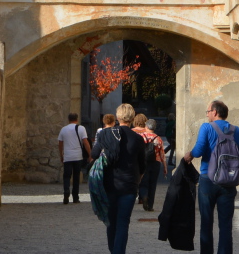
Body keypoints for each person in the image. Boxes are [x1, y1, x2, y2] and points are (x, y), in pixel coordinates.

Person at [184, 99, 239, 254]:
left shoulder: (206, 127)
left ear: (214, 112)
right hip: (229, 181)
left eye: (208, 111)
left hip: (208, 179)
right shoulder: (237, 131)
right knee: (226, 225)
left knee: (206, 223)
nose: (207, 114)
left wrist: (190, 155)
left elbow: (199, 150)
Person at [91, 102, 145, 254]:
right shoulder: (137, 139)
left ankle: (112, 250)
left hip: (109, 184)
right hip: (129, 185)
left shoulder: (105, 134)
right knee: (123, 223)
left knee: (111, 222)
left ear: (118, 117)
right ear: (132, 117)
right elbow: (142, 165)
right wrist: (138, 179)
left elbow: (94, 155)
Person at [58, 112, 91, 204]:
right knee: (76, 177)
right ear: (77, 119)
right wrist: (90, 154)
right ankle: (75, 197)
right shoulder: (81, 128)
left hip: (67, 156)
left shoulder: (63, 129)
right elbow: (85, 142)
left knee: (67, 176)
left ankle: (66, 192)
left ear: (68, 119)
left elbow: (60, 144)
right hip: (77, 156)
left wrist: (61, 155)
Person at [139, 118, 167, 212]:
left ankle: (144, 196)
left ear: (146, 126)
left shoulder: (140, 137)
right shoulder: (158, 138)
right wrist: (165, 168)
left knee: (143, 182)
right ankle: (150, 205)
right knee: (152, 184)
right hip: (155, 162)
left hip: (143, 161)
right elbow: (162, 154)